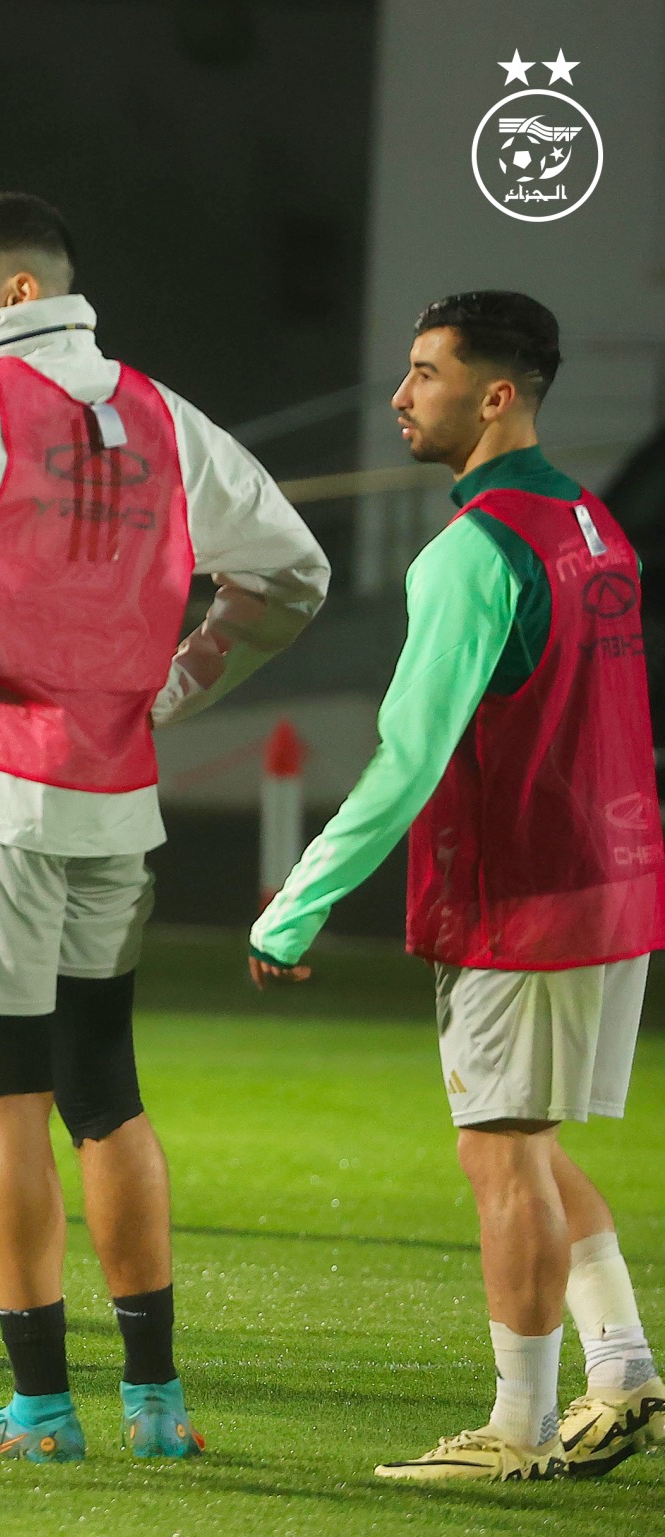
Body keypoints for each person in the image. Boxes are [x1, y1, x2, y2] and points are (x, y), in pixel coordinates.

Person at [0, 192, 329, 1460]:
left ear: (16, 292)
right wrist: (170, 685)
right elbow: (292, 573)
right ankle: (155, 1406)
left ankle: (41, 1411)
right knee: (105, 1096)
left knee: (2, 1102)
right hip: (111, 801)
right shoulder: (167, 417)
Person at [252, 291, 664, 1483]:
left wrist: (295, 903)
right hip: (609, 877)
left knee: (498, 1153)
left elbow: (408, 757)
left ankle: (516, 1428)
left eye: (424, 373)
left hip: (524, 893)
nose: (398, 396)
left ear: (493, 396)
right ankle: (621, 1370)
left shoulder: (472, 552)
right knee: (522, 1140)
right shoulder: (589, 520)